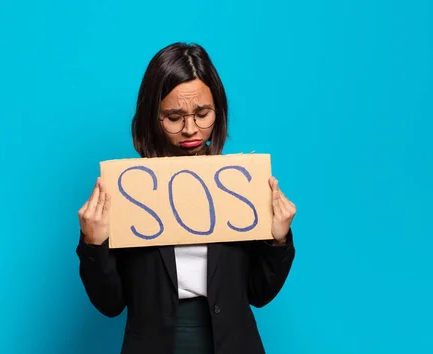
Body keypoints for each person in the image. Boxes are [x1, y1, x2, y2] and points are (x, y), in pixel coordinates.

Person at [75, 42, 297, 354]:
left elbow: (259, 294)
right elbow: (110, 304)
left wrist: (278, 241)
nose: (190, 129)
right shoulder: (125, 191)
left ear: (218, 111)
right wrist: (93, 244)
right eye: (174, 117)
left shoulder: (239, 185)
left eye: (202, 114)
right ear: (154, 116)